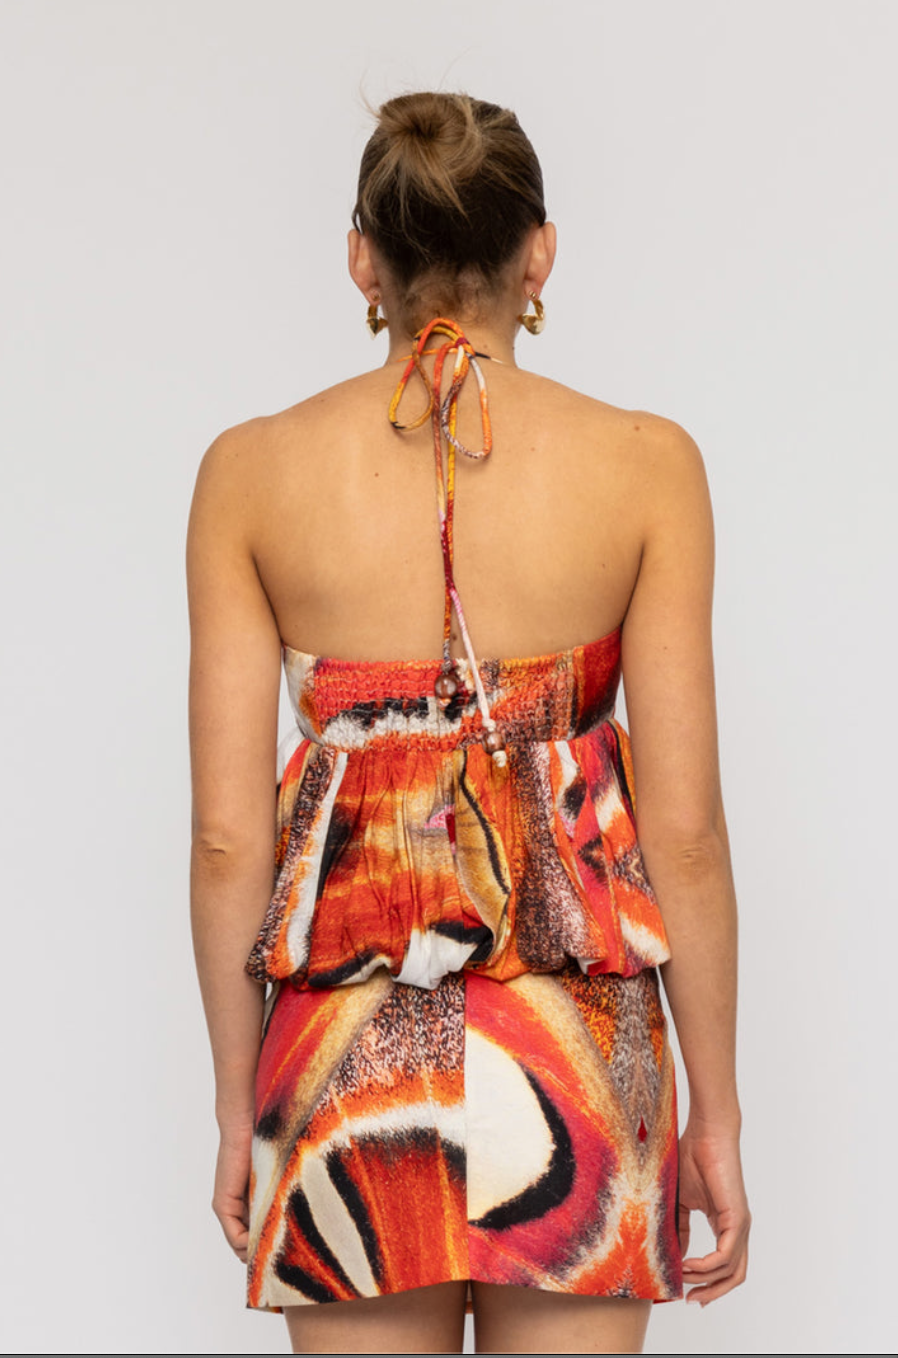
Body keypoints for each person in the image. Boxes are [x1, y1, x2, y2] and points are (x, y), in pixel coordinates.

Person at [187, 91, 750, 1356]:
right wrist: (714, 1112)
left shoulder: (248, 475)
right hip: (577, 1055)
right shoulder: (648, 465)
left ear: (362, 260)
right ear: (538, 254)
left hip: (342, 1058)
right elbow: (688, 834)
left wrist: (235, 1108)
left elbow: (227, 840)